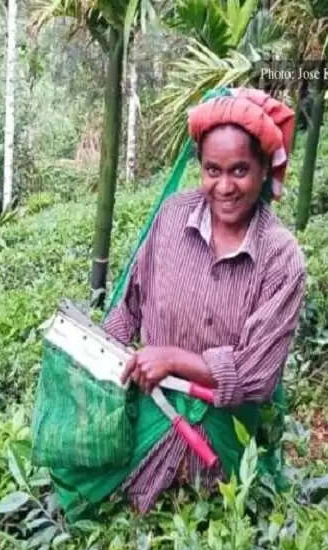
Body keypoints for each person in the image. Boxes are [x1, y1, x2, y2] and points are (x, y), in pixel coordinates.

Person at [101, 88, 306, 513]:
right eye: (213, 170)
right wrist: (102, 357)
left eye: (240, 171)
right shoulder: (174, 216)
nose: (225, 186)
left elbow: (255, 374)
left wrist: (173, 358)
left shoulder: (281, 256)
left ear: (264, 169)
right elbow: (130, 305)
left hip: (224, 440)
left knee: (212, 540)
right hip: (149, 417)